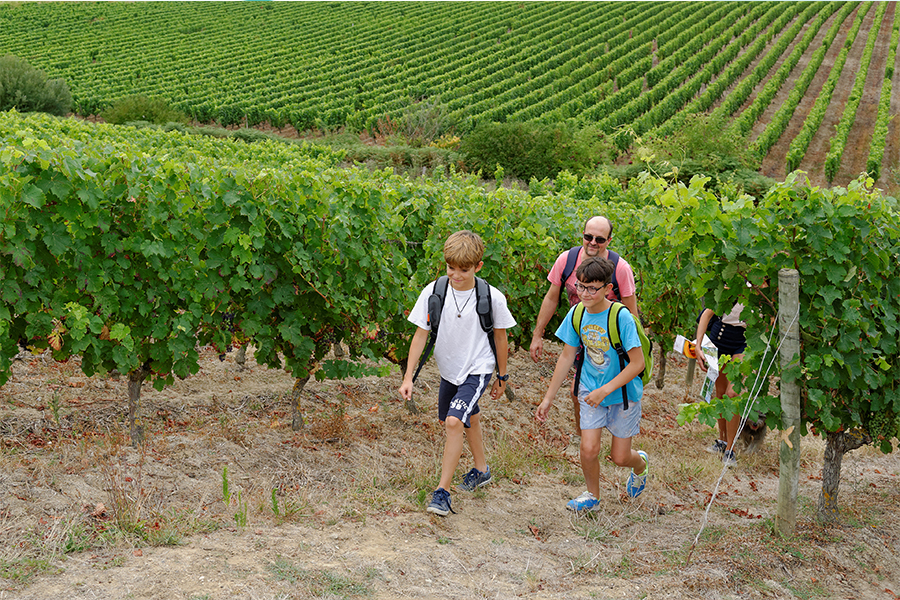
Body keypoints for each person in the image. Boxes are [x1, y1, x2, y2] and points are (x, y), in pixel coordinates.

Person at [399, 230, 517, 517]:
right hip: (449, 369)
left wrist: (501, 376)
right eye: (451, 268)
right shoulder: (434, 291)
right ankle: (481, 469)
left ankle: (442, 492)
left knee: (454, 422)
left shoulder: (491, 297)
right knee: (467, 417)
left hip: (477, 369)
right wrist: (407, 377)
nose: (456, 275)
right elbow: (420, 335)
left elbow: (500, 339)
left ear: (478, 266)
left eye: (463, 270)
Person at [535, 256, 648, 512]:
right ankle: (592, 497)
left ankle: (640, 464)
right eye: (580, 286)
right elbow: (566, 356)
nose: (585, 293)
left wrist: (605, 390)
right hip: (589, 389)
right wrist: (548, 398)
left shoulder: (622, 318)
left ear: (608, 289)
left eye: (592, 288)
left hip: (622, 394)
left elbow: (637, 363)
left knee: (620, 457)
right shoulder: (576, 314)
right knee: (588, 449)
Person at [530, 215, 639, 433]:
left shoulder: (620, 269)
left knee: (596, 387)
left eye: (600, 239)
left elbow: (632, 312)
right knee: (575, 389)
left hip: (612, 340)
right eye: (588, 237)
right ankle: (584, 435)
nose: (593, 242)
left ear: (609, 240)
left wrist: (633, 349)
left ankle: (607, 428)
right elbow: (551, 297)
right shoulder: (567, 260)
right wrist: (537, 333)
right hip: (582, 331)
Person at [694, 305, 746, 467]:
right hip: (719, 338)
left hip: (745, 341)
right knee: (721, 393)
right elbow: (707, 313)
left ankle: (731, 449)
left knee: (733, 394)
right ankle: (722, 441)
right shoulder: (729, 281)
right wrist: (698, 345)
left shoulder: (764, 286)